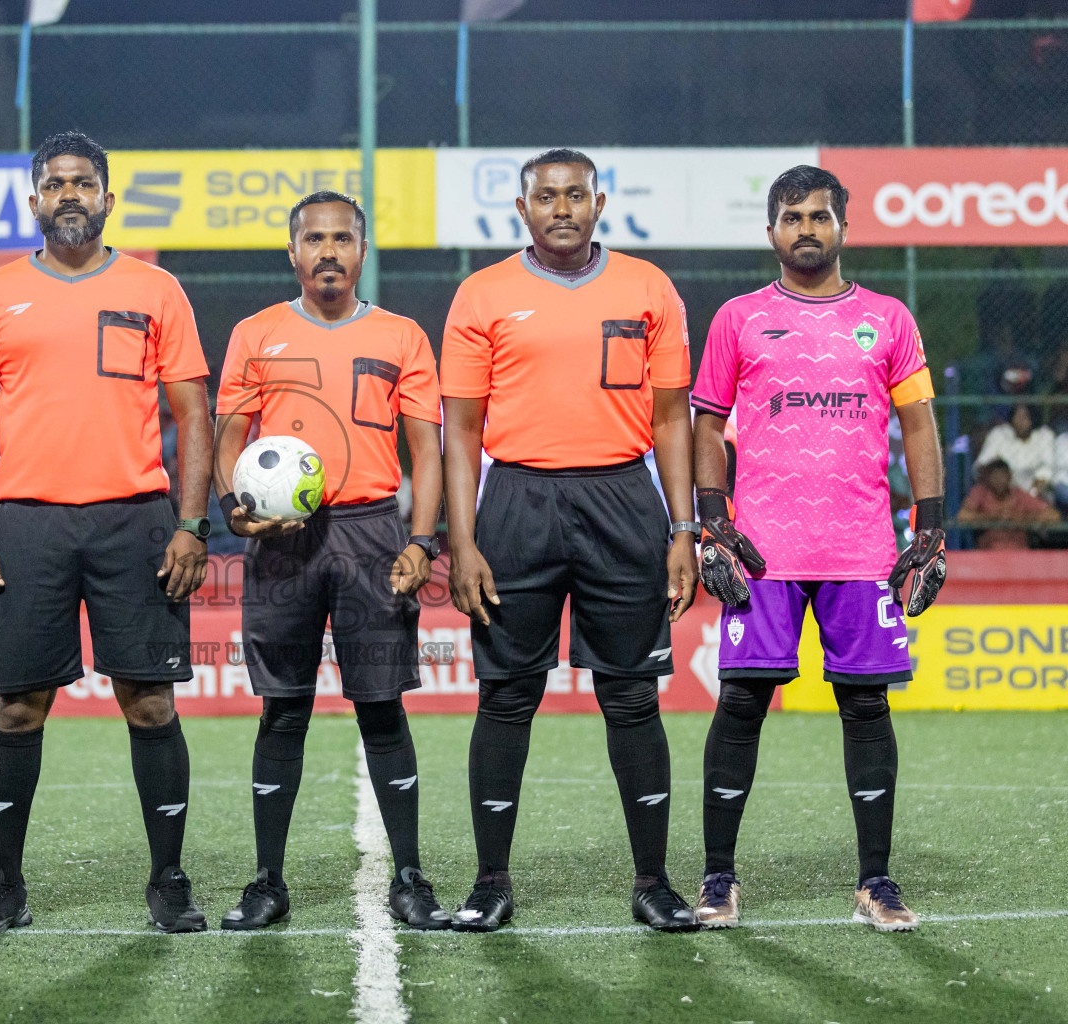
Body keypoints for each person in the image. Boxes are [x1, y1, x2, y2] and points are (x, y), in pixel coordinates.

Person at [0, 132, 214, 934]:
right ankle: (5, 884)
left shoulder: (155, 288)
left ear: (107, 198)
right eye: (55, 183)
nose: (70, 194)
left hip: (136, 519)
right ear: (34, 201)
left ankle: (168, 879)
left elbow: (193, 413)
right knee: (19, 709)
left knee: (151, 705)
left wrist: (192, 524)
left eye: (84, 183)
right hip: (26, 522)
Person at [439, 148, 700, 933]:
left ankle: (652, 882)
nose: (562, 207)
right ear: (521, 209)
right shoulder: (481, 294)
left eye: (575, 194)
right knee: (507, 696)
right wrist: (463, 539)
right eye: (545, 196)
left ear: (599, 202)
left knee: (630, 696)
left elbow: (670, 419)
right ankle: (491, 882)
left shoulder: (648, 287)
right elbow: (460, 429)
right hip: (515, 500)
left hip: (624, 500)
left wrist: (683, 528)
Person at [690, 165, 946, 933]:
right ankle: (717, 880)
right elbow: (707, 424)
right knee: (740, 703)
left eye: (820, 216)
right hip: (764, 550)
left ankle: (876, 882)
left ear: (842, 227)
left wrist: (928, 529)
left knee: (866, 706)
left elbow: (921, 426)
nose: (807, 228)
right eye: (793, 216)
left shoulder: (889, 319)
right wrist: (712, 521)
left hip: (862, 549)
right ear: (771, 231)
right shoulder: (737, 319)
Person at [213, 191, 450, 931]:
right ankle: (267, 882)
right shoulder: (256, 333)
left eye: (342, 238)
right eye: (313, 239)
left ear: (362, 249)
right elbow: (226, 438)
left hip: (373, 534)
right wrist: (232, 504)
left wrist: (421, 539)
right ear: (292, 252)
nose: (327, 251)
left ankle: (409, 875)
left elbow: (427, 451)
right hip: (281, 542)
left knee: (382, 706)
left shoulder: (404, 335)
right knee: (283, 710)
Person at [958, 458, 1060, 549]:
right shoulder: (980, 492)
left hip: (1019, 551)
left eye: (1002, 476)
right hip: (988, 552)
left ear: (1009, 476)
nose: (999, 481)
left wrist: (1019, 518)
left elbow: (1053, 516)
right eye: (995, 476)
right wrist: (992, 517)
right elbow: (962, 516)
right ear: (987, 478)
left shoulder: (1019, 494)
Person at [974, 403, 1055, 499]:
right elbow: (982, 465)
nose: (1021, 420)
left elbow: (1046, 471)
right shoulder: (999, 433)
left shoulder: (1044, 435)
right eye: (1017, 416)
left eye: (1025, 416)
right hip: (1000, 496)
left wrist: (1029, 498)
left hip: (1035, 497)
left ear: (1032, 418)